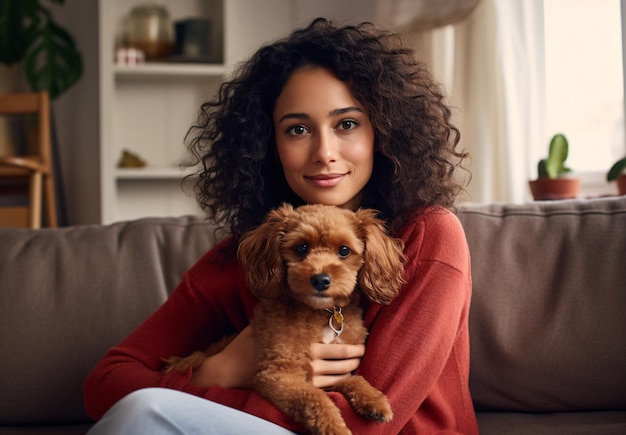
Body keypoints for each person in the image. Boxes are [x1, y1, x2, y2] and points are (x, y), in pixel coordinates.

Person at [84, 17, 478, 434]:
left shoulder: (429, 237)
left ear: (382, 131)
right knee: (140, 411)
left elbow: (369, 426)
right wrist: (217, 372)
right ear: (268, 146)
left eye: (347, 123)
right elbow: (105, 385)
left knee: (145, 412)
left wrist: (206, 399)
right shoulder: (242, 256)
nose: (324, 152)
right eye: (298, 129)